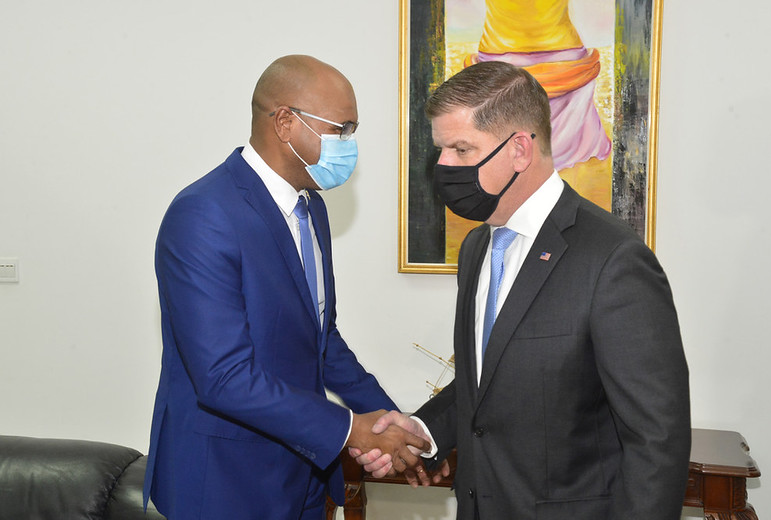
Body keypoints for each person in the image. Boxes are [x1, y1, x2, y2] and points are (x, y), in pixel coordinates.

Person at [355, 61, 691, 519]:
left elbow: (657, 439)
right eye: (441, 149)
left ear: (518, 150)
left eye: (460, 149)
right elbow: (487, 383)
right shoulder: (477, 247)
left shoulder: (613, 260)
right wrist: (421, 430)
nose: (443, 166)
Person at [142, 55, 428, 520]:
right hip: (225, 481)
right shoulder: (203, 215)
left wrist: (394, 421)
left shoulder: (311, 208)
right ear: (285, 122)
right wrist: (352, 429)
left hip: (305, 474)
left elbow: (322, 340)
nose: (349, 145)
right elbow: (223, 378)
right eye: (342, 129)